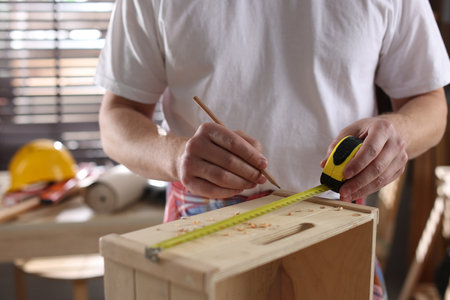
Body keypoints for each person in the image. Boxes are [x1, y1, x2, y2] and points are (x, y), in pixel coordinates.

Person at [95, 1, 450, 299]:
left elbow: (429, 101)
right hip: (200, 233)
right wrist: (175, 156)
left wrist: (398, 132)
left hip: (335, 226)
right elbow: (117, 117)